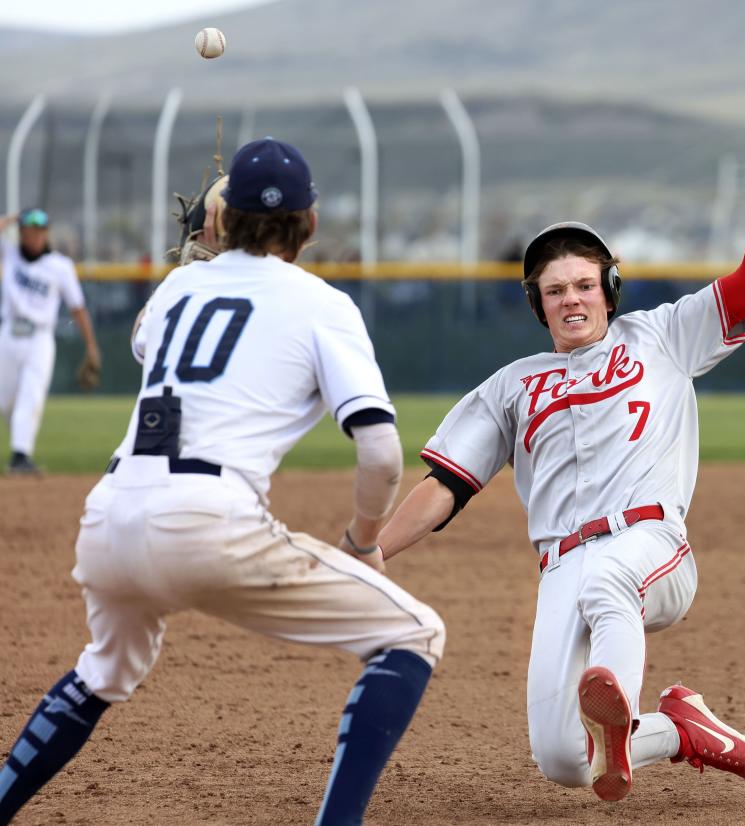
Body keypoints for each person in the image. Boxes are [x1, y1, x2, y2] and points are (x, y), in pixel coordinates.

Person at [373, 78, 745, 802]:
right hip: (561, 571)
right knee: (560, 760)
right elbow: (445, 488)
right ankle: (676, 728)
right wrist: (370, 552)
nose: (571, 298)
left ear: (609, 288)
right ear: (537, 304)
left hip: (649, 550)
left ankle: (612, 708)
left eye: (584, 284)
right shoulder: (512, 386)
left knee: (611, 581)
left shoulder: (664, 336)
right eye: (555, 289)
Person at [0, 138, 445, 826]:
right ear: (312, 223)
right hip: (209, 521)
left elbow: (147, 338)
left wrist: (205, 256)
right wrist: (361, 541)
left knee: (104, 672)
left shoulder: (178, 287)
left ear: (221, 220)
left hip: (109, 520)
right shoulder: (323, 305)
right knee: (414, 634)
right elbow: (383, 454)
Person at [0, 208, 101, 475]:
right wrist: (12, 218)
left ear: (46, 234)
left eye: (39, 231)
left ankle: (20, 457)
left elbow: (77, 307)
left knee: (30, 396)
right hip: (9, 335)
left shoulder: (60, 266)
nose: (34, 237)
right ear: (21, 233)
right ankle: (20, 446)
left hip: (39, 339)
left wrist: (91, 346)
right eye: (28, 231)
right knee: (5, 402)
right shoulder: (10, 253)